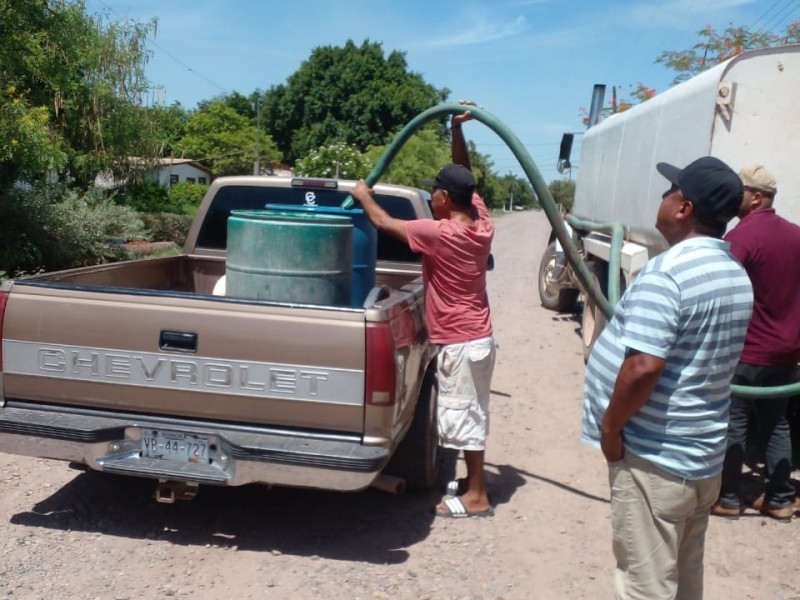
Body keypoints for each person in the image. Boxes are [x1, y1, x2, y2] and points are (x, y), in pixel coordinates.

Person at [582, 156, 754, 599]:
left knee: (645, 585)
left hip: (655, 461)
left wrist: (610, 427)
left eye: (670, 190)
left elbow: (644, 367)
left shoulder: (668, 273)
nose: (662, 196)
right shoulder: (735, 274)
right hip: (699, 458)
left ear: (684, 208)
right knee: (684, 577)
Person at [351, 108, 496, 519]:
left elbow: (383, 223)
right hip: (479, 338)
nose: (431, 197)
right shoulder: (481, 223)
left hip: (462, 343)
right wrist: (456, 131)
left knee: (465, 416)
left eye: (434, 192)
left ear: (445, 199)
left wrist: (363, 196)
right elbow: (463, 171)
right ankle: (473, 482)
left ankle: (477, 497)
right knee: (474, 410)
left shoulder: (440, 233)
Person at [712, 164, 800, 522]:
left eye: (741, 192)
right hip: (786, 352)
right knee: (777, 424)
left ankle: (729, 498)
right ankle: (780, 498)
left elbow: (723, 293)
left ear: (757, 197)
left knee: (734, 424)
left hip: (748, 353)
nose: (736, 198)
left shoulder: (742, 238)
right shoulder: (796, 235)